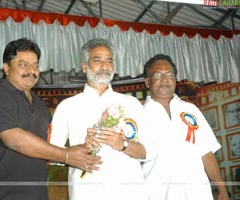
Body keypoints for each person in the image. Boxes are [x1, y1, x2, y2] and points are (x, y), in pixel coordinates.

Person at [0, 38, 100, 200]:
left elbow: (47, 147)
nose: (31, 70)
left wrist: (81, 149)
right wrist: (67, 155)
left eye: (35, 65)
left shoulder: (39, 104)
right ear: (6, 68)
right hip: (0, 194)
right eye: (23, 64)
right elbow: (14, 139)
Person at [49, 38, 149, 200]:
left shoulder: (131, 103)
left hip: (130, 191)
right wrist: (83, 147)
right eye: (98, 60)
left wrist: (122, 144)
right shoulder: (67, 106)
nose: (104, 66)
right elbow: (51, 156)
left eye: (109, 61)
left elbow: (148, 152)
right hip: (87, 192)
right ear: (84, 66)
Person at [141, 54, 229, 200]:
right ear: (147, 82)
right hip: (157, 194)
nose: (165, 80)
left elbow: (206, 152)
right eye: (158, 75)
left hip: (198, 193)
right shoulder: (138, 115)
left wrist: (222, 190)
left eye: (170, 75)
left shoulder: (191, 110)